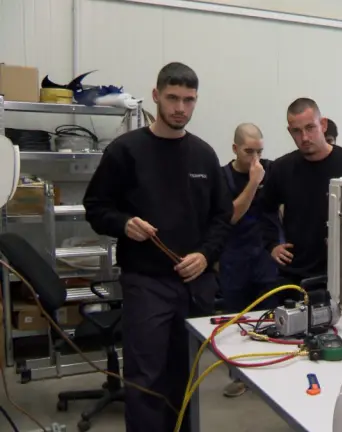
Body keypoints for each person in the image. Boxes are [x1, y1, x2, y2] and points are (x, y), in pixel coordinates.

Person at [83, 62, 232, 432]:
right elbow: (96, 207)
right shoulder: (125, 151)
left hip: (194, 285)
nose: (180, 108)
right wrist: (123, 223)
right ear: (156, 96)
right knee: (146, 379)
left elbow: (222, 217)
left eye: (188, 100)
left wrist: (205, 255)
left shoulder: (203, 155)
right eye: (172, 98)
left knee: (186, 375)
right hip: (146, 284)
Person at [259, 98, 342, 291]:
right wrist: (271, 244)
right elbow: (264, 210)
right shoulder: (281, 168)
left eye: (310, 127)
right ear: (289, 131)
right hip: (296, 274)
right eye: (297, 131)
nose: (304, 137)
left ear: (323, 125)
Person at [218, 123, 281, 397]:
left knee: (270, 317)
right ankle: (239, 375)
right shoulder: (222, 177)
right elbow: (230, 216)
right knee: (238, 322)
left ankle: (270, 372)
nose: (255, 158)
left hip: (265, 257)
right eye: (248, 152)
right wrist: (254, 182)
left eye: (259, 152)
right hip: (235, 258)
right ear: (235, 148)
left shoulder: (272, 171)